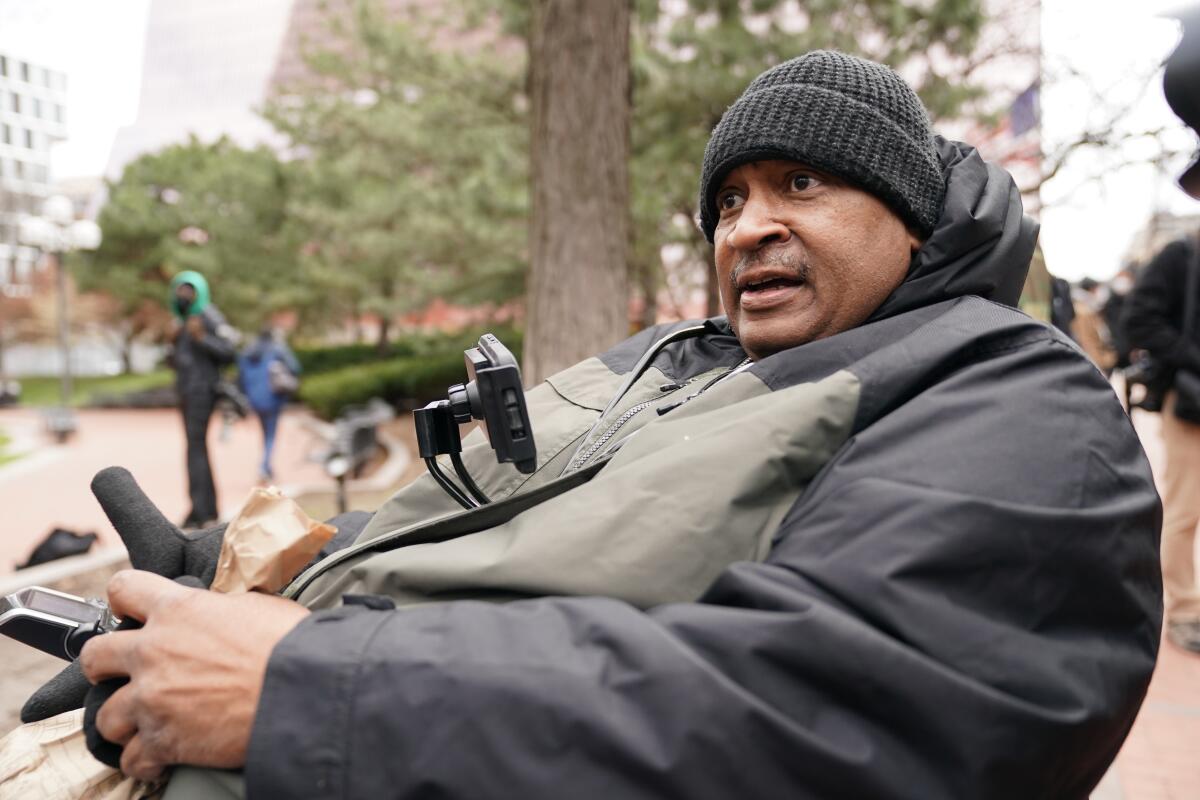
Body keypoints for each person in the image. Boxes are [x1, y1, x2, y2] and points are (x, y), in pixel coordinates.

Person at [23, 51, 1161, 799]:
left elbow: (836, 717)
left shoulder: (1020, 405)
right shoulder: (683, 359)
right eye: (727, 199)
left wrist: (308, 683)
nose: (745, 228)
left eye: (799, 183)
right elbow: (530, 531)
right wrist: (270, 576)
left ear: (909, 219)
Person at [1124, 232, 1200, 653]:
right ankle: (1187, 610)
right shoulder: (1182, 253)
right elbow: (1140, 321)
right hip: (1192, 400)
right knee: (1185, 507)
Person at [166, 271, 239, 529]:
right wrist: (172, 341)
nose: (183, 296)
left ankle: (203, 509)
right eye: (179, 291)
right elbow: (176, 361)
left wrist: (202, 338)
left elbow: (230, 351)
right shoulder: (181, 320)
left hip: (202, 392)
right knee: (194, 448)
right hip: (186, 391)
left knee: (195, 447)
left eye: (189, 291)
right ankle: (202, 508)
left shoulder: (208, 315)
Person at [237, 327, 301, 482]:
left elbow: (241, 376)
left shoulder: (248, 352)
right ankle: (264, 466)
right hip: (272, 398)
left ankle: (267, 466)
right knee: (270, 435)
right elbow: (295, 367)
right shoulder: (276, 350)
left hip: (255, 399)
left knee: (265, 433)